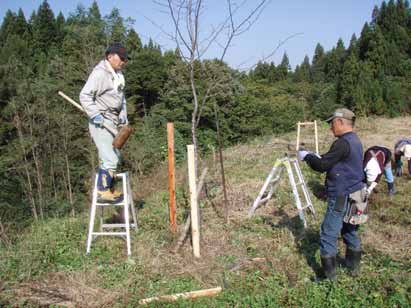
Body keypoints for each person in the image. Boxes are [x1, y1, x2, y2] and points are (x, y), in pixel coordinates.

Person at [298, 108, 365, 280]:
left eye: (332, 123)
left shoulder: (342, 143)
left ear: (340, 122)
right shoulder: (355, 140)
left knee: (328, 233)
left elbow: (322, 166)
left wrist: (307, 157)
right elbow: (334, 160)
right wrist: (318, 156)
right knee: (350, 229)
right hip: (357, 192)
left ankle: (329, 279)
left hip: (342, 194)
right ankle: (353, 268)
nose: (330, 127)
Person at [80, 43, 129, 203]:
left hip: (113, 120)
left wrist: (123, 116)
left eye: (125, 59)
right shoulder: (100, 73)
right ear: (110, 56)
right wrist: (95, 115)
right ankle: (102, 191)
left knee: (114, 155)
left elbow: (122, 100)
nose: (123, 61)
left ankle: (109, 189)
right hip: (101, 121)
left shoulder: (118, 76)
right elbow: (85, 95)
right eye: (121, 58)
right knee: (110, 158)